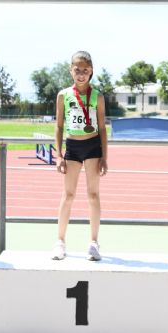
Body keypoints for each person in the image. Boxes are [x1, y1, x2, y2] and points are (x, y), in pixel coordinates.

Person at [52, 51, 108, 261]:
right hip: (73, 147)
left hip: (93, 147)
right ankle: (60, 241)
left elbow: (102, 128)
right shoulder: (63, 95)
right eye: (77, 70)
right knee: (68, 195)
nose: (81, 74)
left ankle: (93, 242)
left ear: (91, 71)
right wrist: (58, 155)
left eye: (85, 70)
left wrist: (104, 156)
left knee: (93, 195)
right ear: (71, 70)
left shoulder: (97, 96)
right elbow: (58, 126)